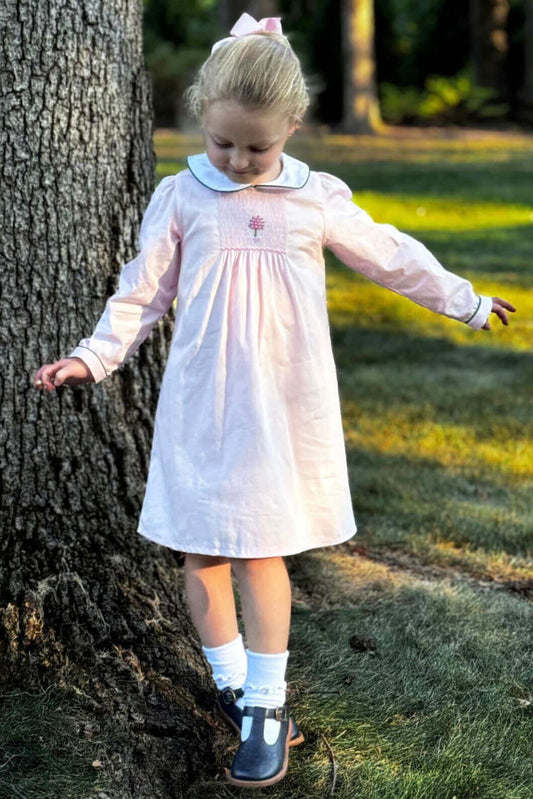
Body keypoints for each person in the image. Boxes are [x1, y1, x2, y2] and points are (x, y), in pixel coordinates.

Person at [33, 12, 516, 789]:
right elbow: (140, 294)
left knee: (259, 548)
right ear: (203, 121)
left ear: (292, 124)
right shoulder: (180, 195)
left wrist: (462, 300)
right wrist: (94, 356)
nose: (238, 160)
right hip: (201, 397)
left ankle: (266, 701)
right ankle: (231, 685)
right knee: (200, 549)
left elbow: (390, 254)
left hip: (280, 402)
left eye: (258, 146)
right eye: (224, 144)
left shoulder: (313, 197)